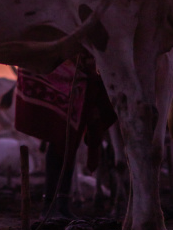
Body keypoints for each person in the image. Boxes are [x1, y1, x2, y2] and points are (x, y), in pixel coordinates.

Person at [15, 53, 117, 219]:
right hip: (63, 73)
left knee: (71, 142)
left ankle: (62, 203)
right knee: (59, 138)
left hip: (80, 74)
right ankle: (49, 206)